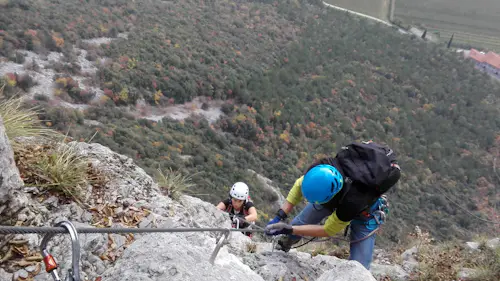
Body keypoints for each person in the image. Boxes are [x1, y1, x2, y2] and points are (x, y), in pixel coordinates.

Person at [264, 141, 401, 269]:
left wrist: (290, 229)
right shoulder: (323, 170)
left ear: (329, 196)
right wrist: (280, 215)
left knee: (359, 267)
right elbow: (300, 184)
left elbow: (328, 230)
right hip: (340, 193)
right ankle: (284, 243)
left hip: (365, 213)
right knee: (300, 222)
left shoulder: (353, 202)